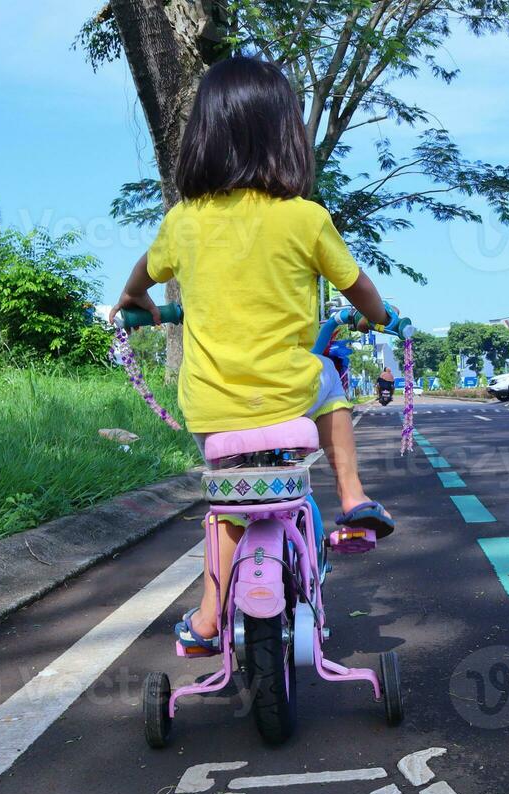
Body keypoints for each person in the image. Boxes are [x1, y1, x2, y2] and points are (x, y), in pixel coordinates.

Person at [108, 57, 396, 655]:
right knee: (326, 376)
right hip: (288, 394)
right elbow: (358, 287)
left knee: (229, 508)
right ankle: (352, 496)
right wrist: (381, 318)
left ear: (204, 139)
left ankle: (209, 619)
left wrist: (135, 300)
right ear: (286, 135)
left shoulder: (183, 221)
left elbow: (142, 273)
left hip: (212, 408)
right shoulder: (305, 218)